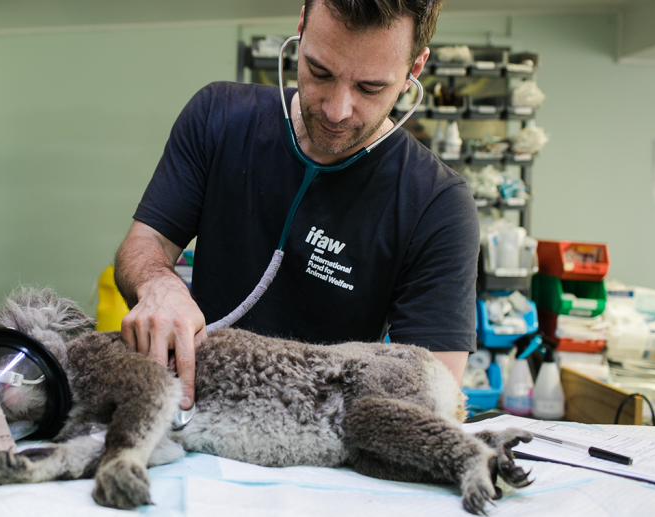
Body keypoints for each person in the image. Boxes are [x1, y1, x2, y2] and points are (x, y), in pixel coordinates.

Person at [114, 0, 478, 412]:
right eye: (320, 72)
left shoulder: (438, 204)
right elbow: (146, 242)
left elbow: (434, 391)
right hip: (196, 409)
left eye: (370, 88)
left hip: (326, 434)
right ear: (302, 26)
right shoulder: (218, 116)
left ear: (415, 68)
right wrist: (158, 285)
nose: (336, 110)